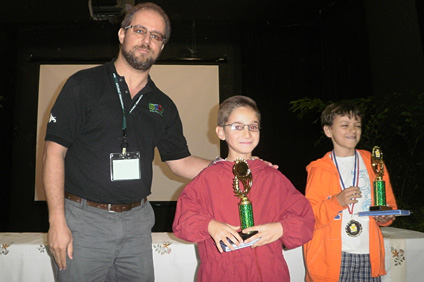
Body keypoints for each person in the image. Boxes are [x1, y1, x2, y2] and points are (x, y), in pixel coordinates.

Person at [42, 3, 212, 281]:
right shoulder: (83, 85)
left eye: (156, 36)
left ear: (162, 47)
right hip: (84, 222)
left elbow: (180, 162)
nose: (147, 40)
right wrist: (56, 221)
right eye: (140, 30)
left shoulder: (162, 104)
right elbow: (53, 154)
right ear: (122, 34)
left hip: (137, 225)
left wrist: (231, 166)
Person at [172, 95, 315, 282]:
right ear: (221, 132)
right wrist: (209, 225)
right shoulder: (207, 179)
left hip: (269, 273)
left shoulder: (273, 178)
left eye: (253, 126)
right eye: (237, 126)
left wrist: (282, 228)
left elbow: (306, 219)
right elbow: (183, 222)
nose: (247, 133)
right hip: (222, 273)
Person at [303, 101, 398, 282]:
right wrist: (337, 202)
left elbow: (389, 206)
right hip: (333, 256)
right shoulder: (318, 169)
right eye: (345, 125)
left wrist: (385, 216)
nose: (352, 130)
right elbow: (310, 217)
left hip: (368, 253)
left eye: (357, 125)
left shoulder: (374, 163)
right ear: (328, 131)